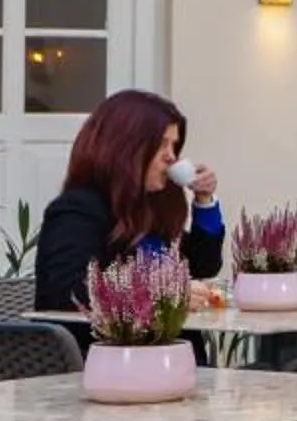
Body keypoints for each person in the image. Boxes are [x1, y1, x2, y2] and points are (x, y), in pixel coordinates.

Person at [35, 88, 224, 314]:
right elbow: (67, 294)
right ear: (124, 148)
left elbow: (203, 266)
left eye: (174, 145)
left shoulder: (149, 207)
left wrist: (204, 201)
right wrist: (160, 295)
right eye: (161, 144)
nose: (171, 156)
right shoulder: (78, 210)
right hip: (100, 337)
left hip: (163, 336)